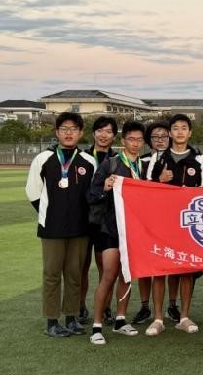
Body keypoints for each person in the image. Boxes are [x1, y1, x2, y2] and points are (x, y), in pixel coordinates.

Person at [26, 112, 96, 337]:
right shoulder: (43, 159)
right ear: (57, 132)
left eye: (73, 129)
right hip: (52, 228)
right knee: (52, 274)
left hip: (80, 228)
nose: (68, 133)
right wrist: (51, 215)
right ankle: (52, 321)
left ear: (80, 133)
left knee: (75, 274)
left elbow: (92, 194)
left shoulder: (88, 161)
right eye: (64, 129)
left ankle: (72, 318)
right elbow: (33, 191)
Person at [146, 114, 203, 335]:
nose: (180, 132)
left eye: (184, 128)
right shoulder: (157, 158)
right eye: (176, 128)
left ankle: (184, 317)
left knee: (186, 270)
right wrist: (159, 181)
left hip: (187, 224)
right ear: (170, 133)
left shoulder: (199, 159)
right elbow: (146, 190)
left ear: (190, 133)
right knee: (159, 269)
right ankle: (158, 319)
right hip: (161, 222)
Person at [87, 120, 147, 344]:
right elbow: (91, 195)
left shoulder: (145, 166)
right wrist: (105, 187)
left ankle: (120, 320)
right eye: (131, 139)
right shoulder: (110, 163)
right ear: (123, 141)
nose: (135, 143)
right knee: (109, 275)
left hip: (134, 229)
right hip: (110, 228)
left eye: (139, 140)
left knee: (126, 275)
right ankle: (97, 326)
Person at [132, 121, 182, 325]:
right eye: (155, 137)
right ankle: (145, 306)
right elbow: (139, 190)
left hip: (171, 220)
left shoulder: (177, 158)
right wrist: (158, 181)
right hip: (146, 221)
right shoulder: (142, 161)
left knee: (172, 263)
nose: (160, 140)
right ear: (149, 140)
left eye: (163, 136)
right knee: (146, 265)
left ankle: (172, 305)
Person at [80, 116, 118, 325]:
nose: (104, 135)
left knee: (106, 269)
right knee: (81, 267)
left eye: (109, 131)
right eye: (100, 131)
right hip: (83, 220)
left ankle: (106, 308)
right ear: (93, 133)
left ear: (114, 136)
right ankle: (80, 307)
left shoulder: (118, 160)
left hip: (105, 221)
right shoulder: (81, 157)